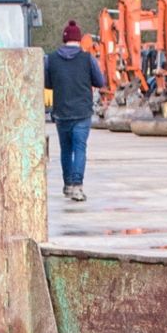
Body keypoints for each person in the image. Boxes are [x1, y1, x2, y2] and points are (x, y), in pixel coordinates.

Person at [44, 20, 105, 203]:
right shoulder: (88, 59)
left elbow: (47, 83)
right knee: (79, 149)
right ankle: (77, 187)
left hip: (61, 112)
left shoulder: (51, 59)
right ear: (79, 40)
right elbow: (100, 81)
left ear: (64, 40)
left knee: (65, 149)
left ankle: (68, 185)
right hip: (82, 112)